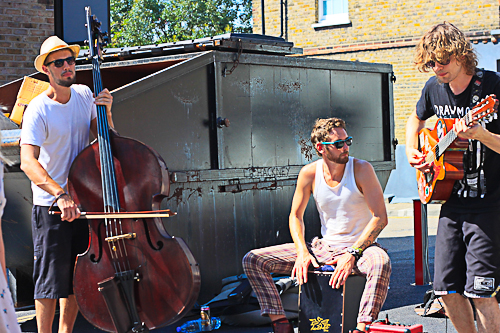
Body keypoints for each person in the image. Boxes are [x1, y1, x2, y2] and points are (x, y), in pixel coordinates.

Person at [242, 117, 391, 333]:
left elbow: (380, 218)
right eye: (339, 144)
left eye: (347, 141)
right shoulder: (309, 173)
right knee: (254, 260)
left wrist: (352, 253)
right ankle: (280, 324)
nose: (345, 147)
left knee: (381, 263)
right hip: (324, 248)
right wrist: (302, 252)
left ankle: (363, 326)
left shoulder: (362, 169)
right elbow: (295, 216)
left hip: (360, 248)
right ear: (321, 148)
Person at [406, 22, 500, 333]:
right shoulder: (433, 88)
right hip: (451, 202)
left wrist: (481, 134)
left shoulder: (492, 88)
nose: (437, 69)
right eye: (431, 63)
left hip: (490, 205)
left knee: (481, 293)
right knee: (445, 290)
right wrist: (411, 150)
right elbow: (415, 117)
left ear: (461, 55)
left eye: (442, 61)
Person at [20, 36, 114, 333]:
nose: (67, 67)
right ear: (46, 70)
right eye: (58, 63)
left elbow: (107, 145)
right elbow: (27, 162)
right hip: (52, 205)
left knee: (77, 275)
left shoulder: (86, 94)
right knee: (49, 281)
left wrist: (107, 114)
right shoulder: (38, 109)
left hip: (84, 200)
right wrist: (60, 195)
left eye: (70, 61)